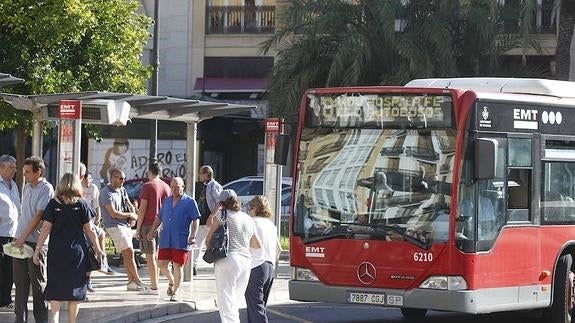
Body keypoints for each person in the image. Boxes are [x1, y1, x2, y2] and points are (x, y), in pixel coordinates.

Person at [33, 173, 106, 323]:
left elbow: (46, 227)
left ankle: (54, 320)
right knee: (75, 290)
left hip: (57, 253)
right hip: (77, 254)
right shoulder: (82, 204)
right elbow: (90, 230)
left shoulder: (53, 204)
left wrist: (37, 249)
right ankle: (72, 321)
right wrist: (98, 249)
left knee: (55, 288)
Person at [206, 189, 260, 323]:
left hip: (227, 259)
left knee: (225, 300)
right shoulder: (247, 218)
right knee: (235, 300)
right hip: (245, 262)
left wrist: (210, 251)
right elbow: (256, 244)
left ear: (221, 203)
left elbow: (209, 238)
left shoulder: (222, 215)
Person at [12, 156, 54, 323]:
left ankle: (41, 320)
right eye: (24, 172)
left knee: (38, 286)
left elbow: (38, 215)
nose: (25, 175)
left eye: (28, 172)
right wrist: (19, 236)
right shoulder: (27, 186)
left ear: (39, 172)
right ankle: (19, 319)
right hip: (20, 240)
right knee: (20, 285)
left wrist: (23, 237)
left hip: (35, 243)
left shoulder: (46, 188)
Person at [147, 177, 200, 301]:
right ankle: (172, 281)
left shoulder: (190, 202)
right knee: (161, 264)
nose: (175, 189)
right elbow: (159, 217)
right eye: (172, 187)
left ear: (183, 187)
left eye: (177, 187)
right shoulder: (166, 201)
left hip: (180, 240)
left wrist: (193, 235)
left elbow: (196, 219)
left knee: (177, 266)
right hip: (166, 238)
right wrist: (153, 230)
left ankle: (175, 292)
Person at [99, 168, 146, 291]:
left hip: (124, 225)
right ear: (113, 177)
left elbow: (128, 204)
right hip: (114, 226)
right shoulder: (105, 192)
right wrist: (129, 215)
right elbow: (113, 213)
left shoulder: (122, 189)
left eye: (124, 178)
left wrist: (133, 213)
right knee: (129, 251)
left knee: (127, 254)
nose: (123, 181)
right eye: (120, 178)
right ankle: (138, 280)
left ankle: (131, 283)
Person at [135, 161, 170, 295]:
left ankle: (154, 286)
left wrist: (138, 228)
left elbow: (142, 208)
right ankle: (158, 283)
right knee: (157, 256)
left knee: (150, 256)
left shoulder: (147, 186)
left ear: (149, 171)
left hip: (148, 224)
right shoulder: (166, 187)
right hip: (162, 225)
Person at [245, 196, 281, 323]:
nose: (248, 211)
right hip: (270, 267)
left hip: (255, 266)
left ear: (254, 209)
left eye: (249, 208)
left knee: (255, 308)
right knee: (260, 306)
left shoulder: (251, 222)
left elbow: (250, 244)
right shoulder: (271, 225)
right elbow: (279, 249)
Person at [81, 167, 115, 293]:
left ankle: (102, 260)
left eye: (90, 178)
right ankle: (100, 260)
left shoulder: (94, 188)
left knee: (101, 233)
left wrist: (97, 220)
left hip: (90, 221)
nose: (88, 181)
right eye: (86, 178)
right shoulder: (78, 188)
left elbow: (96, 207)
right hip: (81, 223)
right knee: (89, 249)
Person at [192, 165, 222, 275]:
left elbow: (220, 202)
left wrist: (212, 215)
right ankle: (193, 265)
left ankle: (217, 264)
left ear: (207, 174)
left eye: (201, 173)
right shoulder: (204, 185)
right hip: (202, 218)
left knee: (213, 242)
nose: (199, 175)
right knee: (198, 242)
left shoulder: (214, 186)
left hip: (210, 219)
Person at [0, 155, 19, 312]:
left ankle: (5, 299)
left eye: (14, 167)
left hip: (12, 234)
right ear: (2, 167)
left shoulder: (14, 184)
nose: (14, 170)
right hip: (0, 233)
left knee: (9, 269)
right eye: (11, 167)